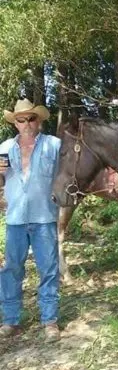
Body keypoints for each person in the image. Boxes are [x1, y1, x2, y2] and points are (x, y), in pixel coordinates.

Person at [0, 98, 61, 340]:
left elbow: (68, 174)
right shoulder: (4, 148)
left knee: (49, 269)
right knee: (11, 270)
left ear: (39, 121)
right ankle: (10, 320)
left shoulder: (54, 145)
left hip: (45, 216)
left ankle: (50, 321)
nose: (27, 123)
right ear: (15, 123)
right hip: (15, 219)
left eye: (31, 118)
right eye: (21, 119)